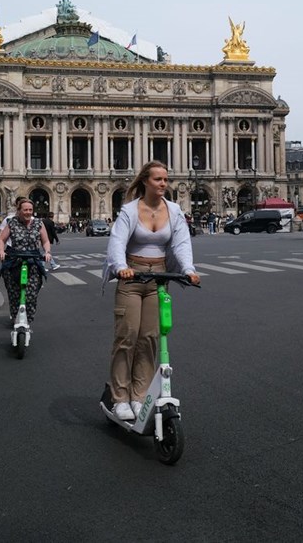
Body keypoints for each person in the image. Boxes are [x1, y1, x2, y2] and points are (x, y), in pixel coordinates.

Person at [102, 161, 200, 422]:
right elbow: (117, 241)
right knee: (127, 336)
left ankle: (139, 394)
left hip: (158, 277)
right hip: (132, 275)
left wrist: (188, 269)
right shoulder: (129, 210)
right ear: (145, 181)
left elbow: (181, 242)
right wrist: (121, 266)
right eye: (158, 179)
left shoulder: (174, 210)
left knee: (150, 338)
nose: (163, 184)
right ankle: (120, 396)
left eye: (165, 179)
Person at [0, 198, 53, 327]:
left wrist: (47, 252)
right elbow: (1, 239)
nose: (28, 212)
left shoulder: (39, 223)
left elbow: (45, 241)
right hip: (14, 261)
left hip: (33, 262)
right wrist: (1, 251)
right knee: (14, 294)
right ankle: (16, 317)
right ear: (19, 211)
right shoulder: (12, 223)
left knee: (31, 295)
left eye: (30, 210)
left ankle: (27, 319)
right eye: (25, 210)